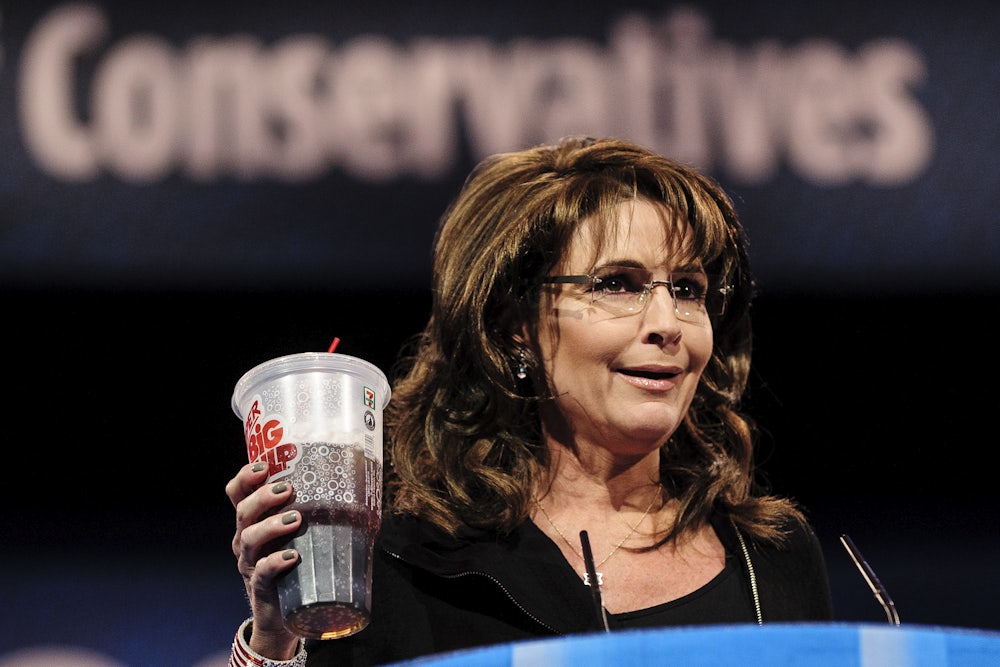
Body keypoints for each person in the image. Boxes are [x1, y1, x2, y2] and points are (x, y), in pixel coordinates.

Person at [226, 136, 834, 666]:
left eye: (688, 289)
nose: (668, 323)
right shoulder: (402, 561)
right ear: (514, 323)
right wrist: (276, 642)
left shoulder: (773, 557)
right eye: (617, 284)